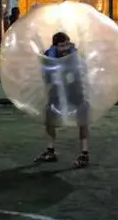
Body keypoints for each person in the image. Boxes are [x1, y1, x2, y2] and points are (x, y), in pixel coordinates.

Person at [35, 32, 90, 169]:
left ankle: (84, 152)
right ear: (55, 46)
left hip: (74, 89)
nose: (65, 48)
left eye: (67, 44)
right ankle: (50, 150)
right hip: (56, 89)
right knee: (50, 118)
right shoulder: (49, 57)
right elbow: (46, 76)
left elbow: (83, 70)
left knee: (83, 118)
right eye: (61, 46)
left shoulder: (74, 54)